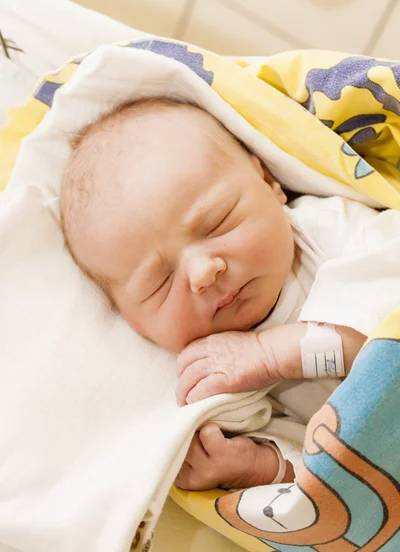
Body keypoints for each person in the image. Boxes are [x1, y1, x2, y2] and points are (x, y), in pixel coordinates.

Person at [60, 97, 399, 490]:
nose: (203, 272)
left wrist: (270, 355)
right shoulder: (217, 377)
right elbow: (331, 488)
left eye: (217, 223)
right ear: (132, 322)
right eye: (159, 282)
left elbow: (387, 319)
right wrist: (259, 464)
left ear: (269, 182)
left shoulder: (329, 231)